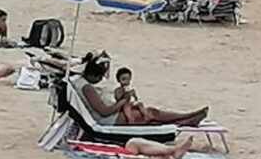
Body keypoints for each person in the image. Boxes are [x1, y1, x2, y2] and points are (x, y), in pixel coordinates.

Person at [76, 52, 207, 126]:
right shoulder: (87, 88)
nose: (101, 80)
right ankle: (187, 117)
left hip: (112, 115)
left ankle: (186, 120)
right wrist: (123, 101)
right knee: (151, 113)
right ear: (93, 74)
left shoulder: (81, 82)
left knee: (148, 114)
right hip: (109, 119)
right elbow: (104, 111)